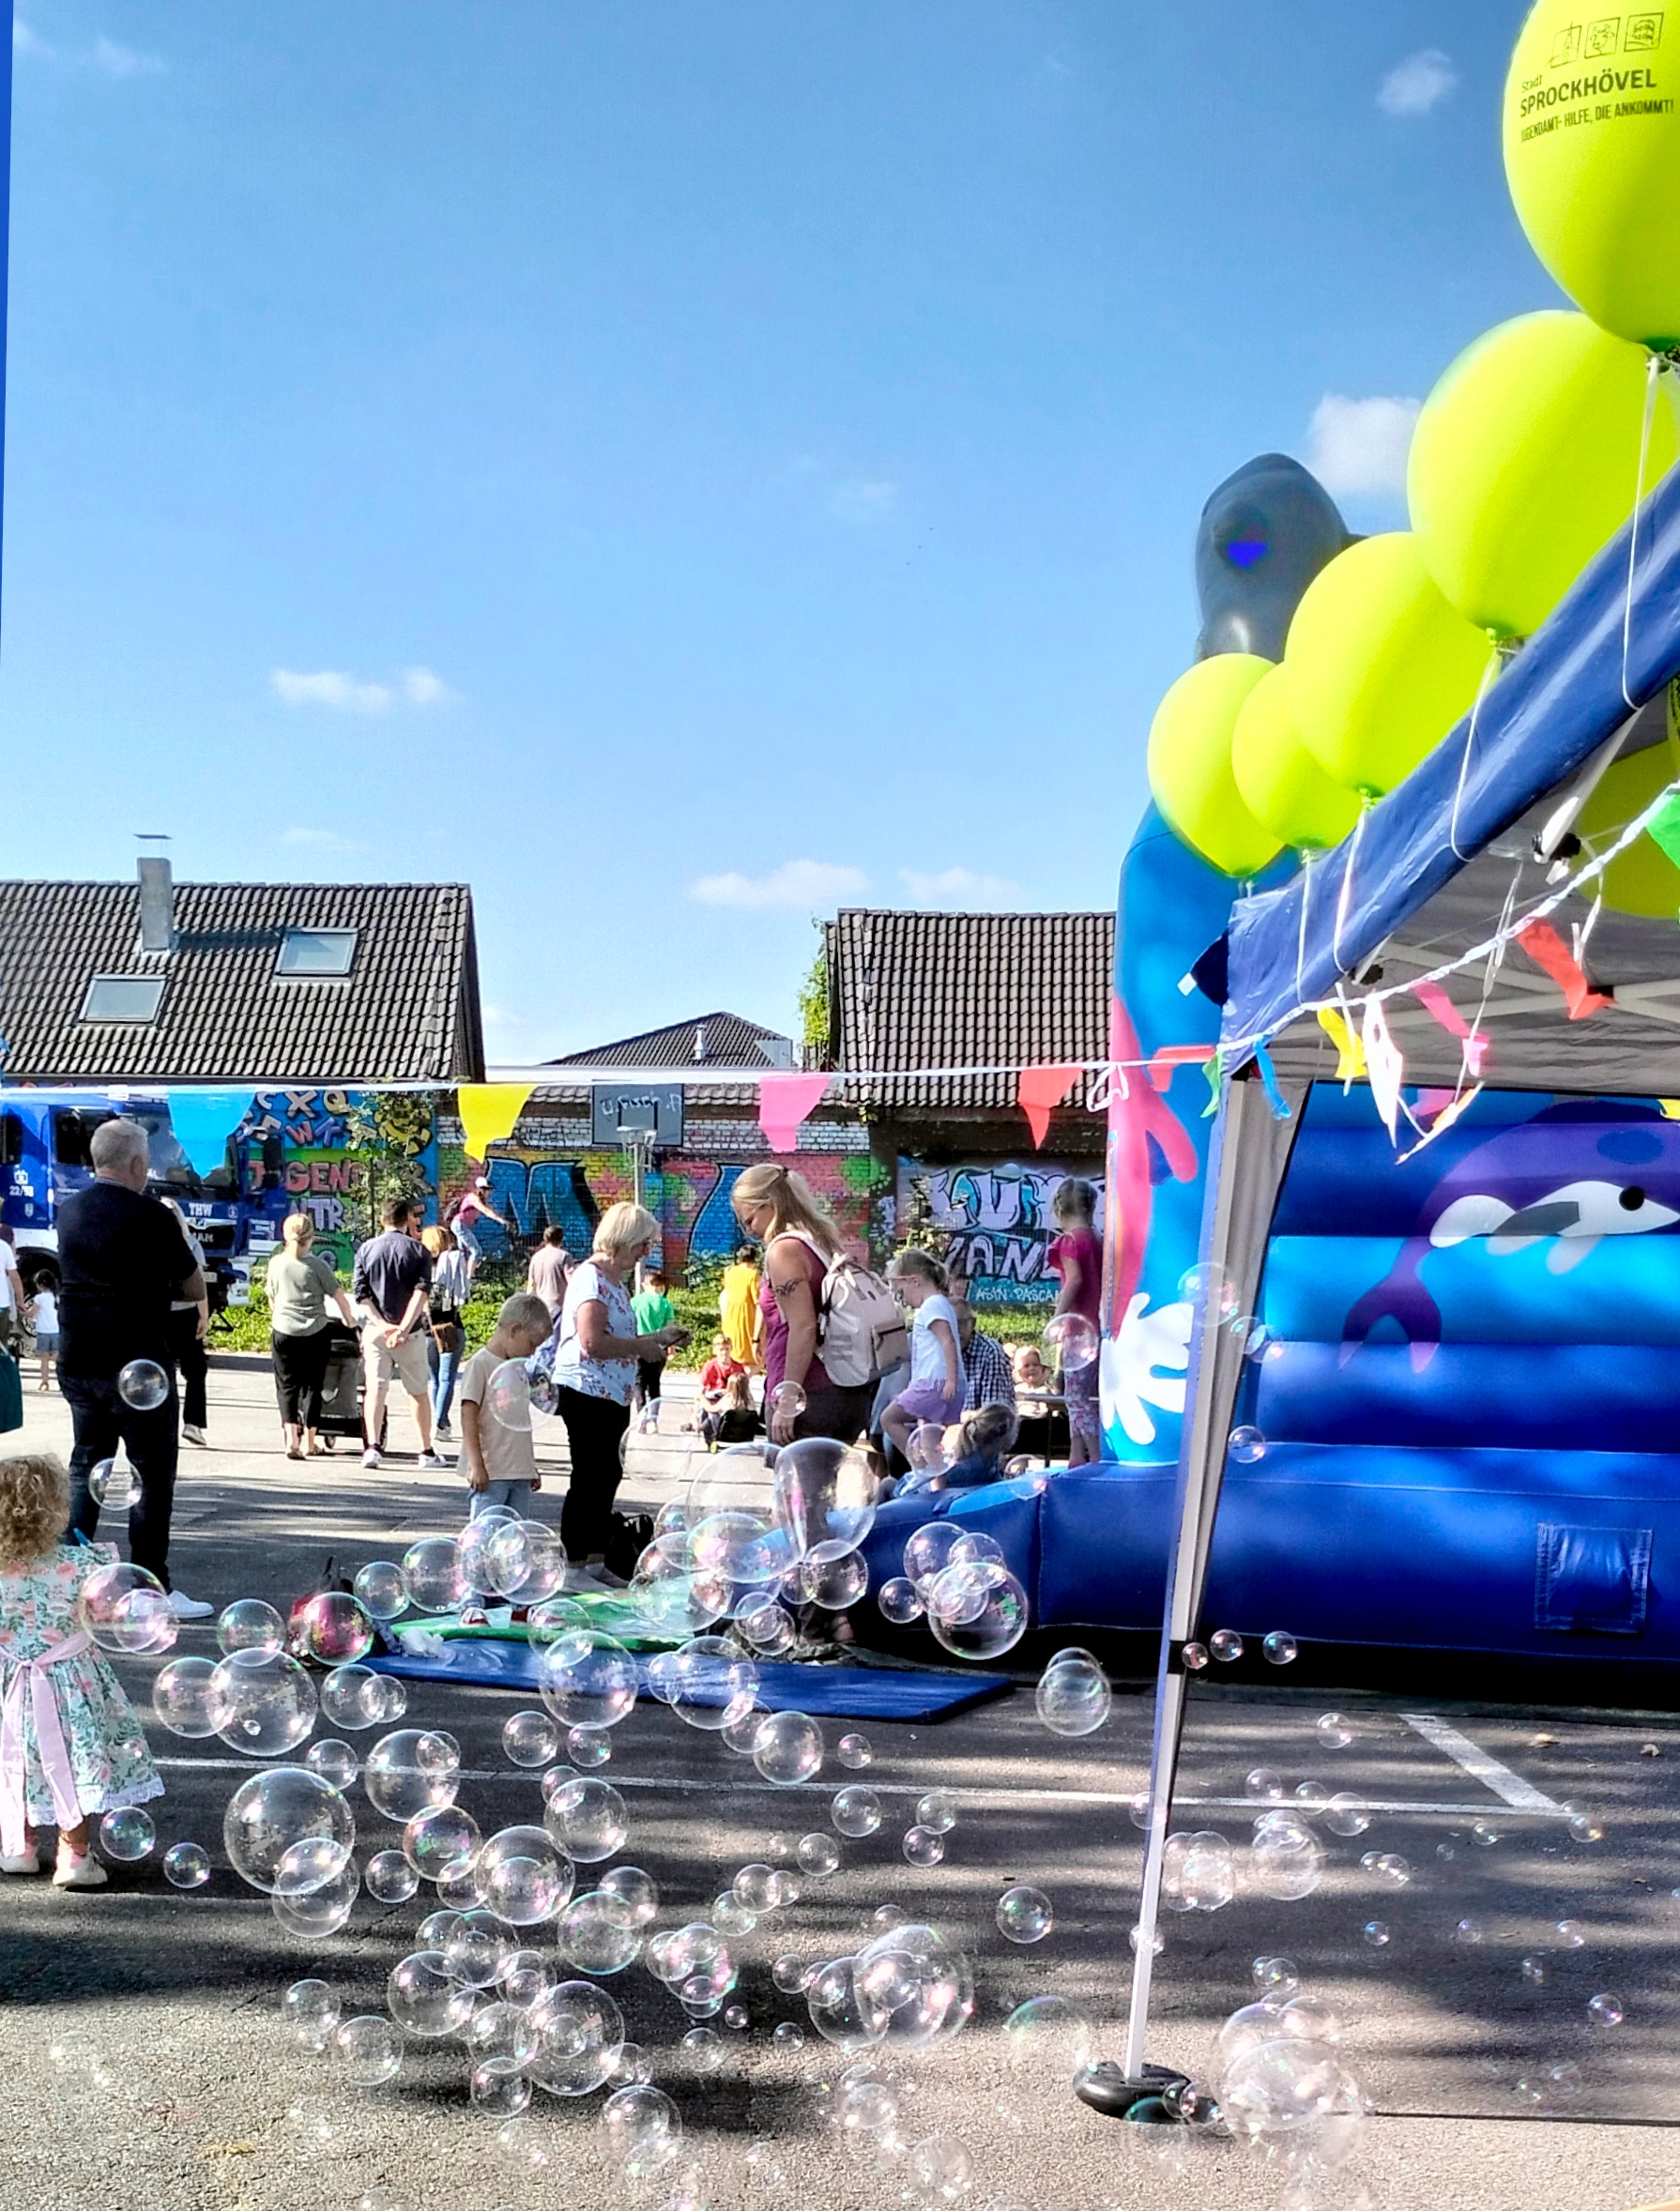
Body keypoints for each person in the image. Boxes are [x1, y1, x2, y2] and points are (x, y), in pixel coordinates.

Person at [57, 1119, 212, 1619]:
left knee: (86, 1463)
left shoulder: (69, 1211)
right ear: (138, 1165)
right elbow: (192, 1288)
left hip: (79, 1357)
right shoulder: (154, 1216)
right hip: (139, 1364)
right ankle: (151, 1587)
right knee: (151, 1472)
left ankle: (67, 1577)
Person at [0, 1452, 163, 1888]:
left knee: (17, 1759)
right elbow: (115, 1616)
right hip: (72, 1686)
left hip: (8, 1687)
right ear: (56, 1508)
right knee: (74, 1761)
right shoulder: (84, 1567)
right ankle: (74, 1856)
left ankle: (20, 1846)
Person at [546, 1202, 688, 1589]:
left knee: (607, 1474)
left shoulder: (614, 1280)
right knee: (589, 1475)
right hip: (586, 1389)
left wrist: (656, 1339)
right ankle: (574, 1564)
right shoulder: (590, 1278)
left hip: (613, 1393)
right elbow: (591, 1342)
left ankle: (594, 1560)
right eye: (643, 1244)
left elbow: (619, 1337)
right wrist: (641, 1349)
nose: (647, 1252)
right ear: (623, 1240)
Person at [730, 1165, 875, 1447]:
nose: (749, 1232)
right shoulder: (820, 1240)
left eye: (749, 1220)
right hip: (843, 1390)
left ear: (770, 1205)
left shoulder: (784, 1251)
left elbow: (803, 1327)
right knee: (822, 1489)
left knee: (796, 1491)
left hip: (808, 1393)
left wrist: (788, 1398)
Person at [352, 1197, 447, 1471]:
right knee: (417, 1392)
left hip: (376, 1332)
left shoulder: (366, 1250)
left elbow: (362, 1295)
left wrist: (383, 1326)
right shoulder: (419, 1251)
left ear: (383, 1220)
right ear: (407, 1219)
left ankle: (372, 1448)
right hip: (411, 1333)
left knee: (375, 1390)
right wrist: (404, 1327)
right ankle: (426, 1451)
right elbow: (421, 1292)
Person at [267, 1214, 358, 1459]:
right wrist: (351, 1322)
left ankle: (290, 1440)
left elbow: (272, 1298)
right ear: (311, 1237)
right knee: (312, 1387)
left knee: (286, 1386)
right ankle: (309, 1442)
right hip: (315, 1332)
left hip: (283, 1331)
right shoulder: (318, 1266)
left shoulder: (276, 1263)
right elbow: (339, 1297)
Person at [458, 1292, 552, 1520]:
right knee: (485, 1531)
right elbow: (468, 1415)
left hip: (518, 1470)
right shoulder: (481, 1364)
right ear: (514, 1330)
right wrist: (476, 1464)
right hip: (492, 1471)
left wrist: (530, 1466)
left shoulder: (518, 1367)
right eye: (531, 1344)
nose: (532, 1352)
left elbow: (519, 1419)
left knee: (514, 1534)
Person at [880, 1249, 965, 1463]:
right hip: (944, 1383)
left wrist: (951, 1380)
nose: (904, 1300)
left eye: (901, 1292)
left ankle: (919, 1467)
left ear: (915, 1281)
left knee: (888, 1419)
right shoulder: (942, 1303)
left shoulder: (931, 1306)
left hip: (935, 1383)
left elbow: (947, 1340)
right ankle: (935, 1483)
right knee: (929, 1440)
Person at [1047, 1178, 1103, 1468]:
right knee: (1081, 1394)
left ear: (1059, 1209)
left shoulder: (1068, 1241)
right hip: (1098, 1326)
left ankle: (1093, 1456)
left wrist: (1058, 1317)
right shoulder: (1097, 1239)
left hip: (1078, 1329)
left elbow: (1075, 1280)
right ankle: (1075, 1454)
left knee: (1075, 1396)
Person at [888, 1403, 1019, 1499]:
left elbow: (996, 1482)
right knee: (887, 1485)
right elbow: (916, 1488)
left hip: (916, 1490)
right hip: (912, 1494)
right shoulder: (968, 1467)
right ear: (1002, 1433)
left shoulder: (990, 1459)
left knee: (887, 1483)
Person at [160, 1197, 210, 1448]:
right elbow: (198, 1284)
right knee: (196, 1370)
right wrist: (204, 1316)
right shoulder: (190, 1244)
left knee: (162, 1370)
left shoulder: (148, 1243)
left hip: (158, 1314)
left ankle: (163, 1424)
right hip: (187, 1313)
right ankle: (193, 1424)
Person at [423, 1225, 471, 1441]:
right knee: (447, 1379)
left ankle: (439, 1419)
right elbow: (459, 1294)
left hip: (426, 1329)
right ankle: (440, 1423)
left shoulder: (420, 1267)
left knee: (434, 1380)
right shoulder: (450, 1262)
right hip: (449, 1325)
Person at [631, 1267, 676, 1432]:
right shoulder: (664, 1303)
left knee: (639, 1382)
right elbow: (670, 1328)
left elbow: (629, 1323)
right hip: (659, 1347)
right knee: (654, 1384)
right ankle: (654, 1420)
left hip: (639, 1345)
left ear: (646, 1283)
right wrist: (671, 1346)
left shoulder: (635, 1301)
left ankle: (641, 1416)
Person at [954, 1300, 1016, 1413]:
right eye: (948, 1324)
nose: (954, 1330)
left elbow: (993, 1415)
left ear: (972, 1323)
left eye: (959, 1323)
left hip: (980, 1429)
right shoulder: (935, 1350)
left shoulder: (990, 1353)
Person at [693, 1333, 746, 1446]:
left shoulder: (737, 1367)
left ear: (731, 1349)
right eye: (721, 1349)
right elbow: (701, 1389)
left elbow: (743, 1388)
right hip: (713, 1397)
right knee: (708, 1413)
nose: (724, 1352)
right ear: (715, 1350)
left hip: (730, 1397)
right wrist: (697, 1407)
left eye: (727, 1349)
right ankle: (711, 1438)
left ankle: (723, 1435)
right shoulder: (710, 1366)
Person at [449, 1177, 507, 1277]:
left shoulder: (482, 1200)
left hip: (463, 1226)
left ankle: (459, 1275)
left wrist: (505, 1221)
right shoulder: (473, 1198)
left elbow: (492, 1210)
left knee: (463, 1253)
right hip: (459, 1226)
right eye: (488, 1189)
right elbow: (486, 1211)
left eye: (490, 1189)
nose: (490, 1192)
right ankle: (469, 1277)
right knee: (476, 1251)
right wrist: (501, 1221)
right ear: (481, 1189)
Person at [718, 1243, 761, 1368]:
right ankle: (742, 1379)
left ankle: (734, 1376)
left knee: (734, 1350)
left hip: (731, 1315)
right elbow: (757, 1299)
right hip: (747, 1315)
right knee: (753, 1357)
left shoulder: (731, 1272)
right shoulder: (753, 1274)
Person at [527, 1227, 573, 1319]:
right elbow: (572, 1282)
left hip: (541, 1307)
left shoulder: (535, 1258)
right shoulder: (564, 1256)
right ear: (561, 1239)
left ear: (545, 1239)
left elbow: (531, 1285)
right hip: (559, 1308)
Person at [30, 1272, 60, 1395]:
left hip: (43, 1331)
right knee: (57, 1359)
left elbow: (32, 1313)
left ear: (39, 1284)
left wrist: (23, 1311)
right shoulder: (57, 1297)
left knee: (44, 1359)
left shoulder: (39, 1298)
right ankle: (60, 1382)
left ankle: (45, 1381)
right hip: (57, 1330)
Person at [0, 1230, 23, 1355]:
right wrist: (20, 1301)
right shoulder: (4, 1247)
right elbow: (14, 1277)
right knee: (2, 1343)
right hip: (2, 1304)